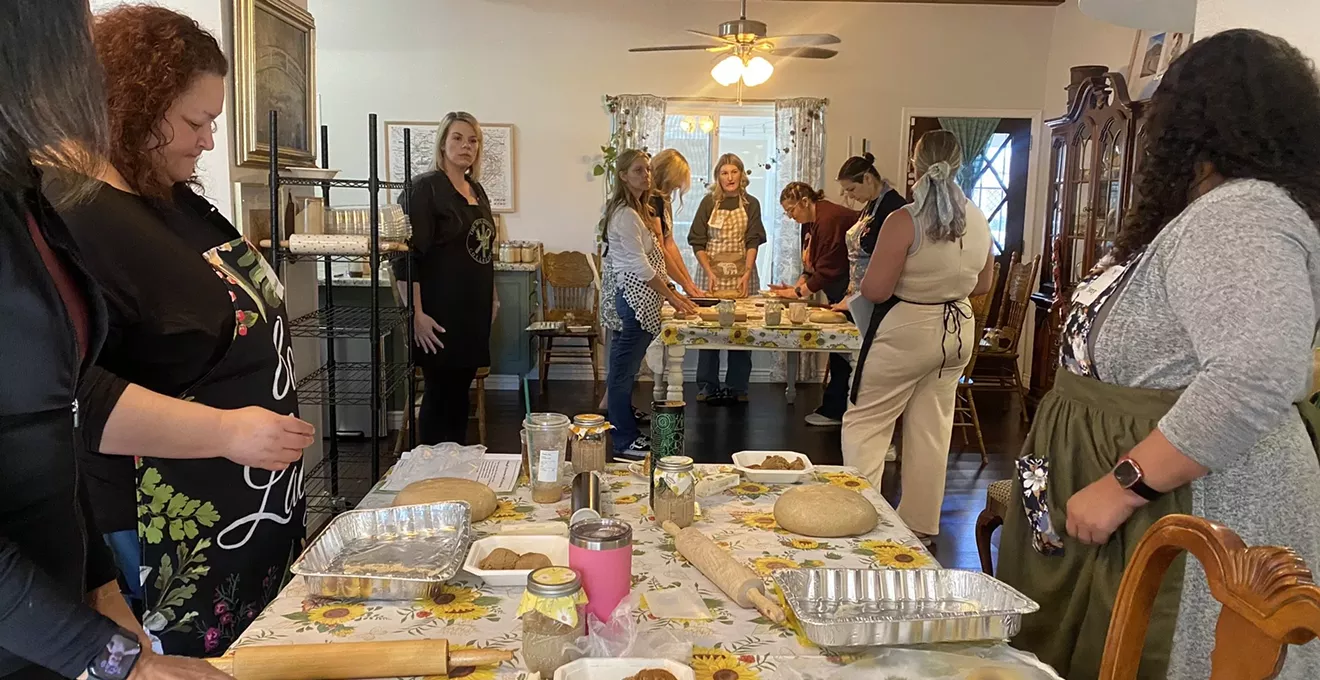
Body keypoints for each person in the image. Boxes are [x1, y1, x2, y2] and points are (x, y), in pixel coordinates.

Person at [998, 30, 1320, 680]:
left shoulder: (1242, 215)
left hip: (1174, 506)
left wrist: (1126, 485)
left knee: (1151, 653)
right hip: (1089, 474)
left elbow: (1257, 374)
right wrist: (1038, 497)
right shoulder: (1197, 216)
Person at [51, 5, 316, 657]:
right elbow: (74, 396)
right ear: (131, 104)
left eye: (213, 122)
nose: (206, 141)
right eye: (196, 121)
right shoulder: (75, 215)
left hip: (251, 513)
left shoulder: (170, 198)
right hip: (164, 535)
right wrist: (227, 431)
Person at [0, 1, 232, 678]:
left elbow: (56, 408)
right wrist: (114, 662)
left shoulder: (24, 196)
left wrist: (101, 586)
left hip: (53, 618)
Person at [841, 131, 994, 546]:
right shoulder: (978, 217)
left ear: (916, 164)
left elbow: (875, 290)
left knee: (867, 421)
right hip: (957, 327)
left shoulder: (904, 219)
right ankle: (921, 525)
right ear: (959, 165)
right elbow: (983, 283)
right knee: (932, 426)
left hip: (909, 326)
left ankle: (859, 519)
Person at [396, 111, 498, 446]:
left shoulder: (476, 190)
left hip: (473, 311)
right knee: (439, 395)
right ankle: (429, 474)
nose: (466, 146)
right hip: (438, 312)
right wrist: (416, 314)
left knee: (459, 395)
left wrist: (493, 297)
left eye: (473, 140)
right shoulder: (424, 189)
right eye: (458, 138)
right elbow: (405, 256)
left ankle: (454, 470)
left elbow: (484, 250)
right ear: (442, 143)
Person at [602, 149, 697, 456]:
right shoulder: (625, 215)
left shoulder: (640, 210)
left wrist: (676, 288)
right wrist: (673, 295)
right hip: (634, 301)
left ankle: (625, 433)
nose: (646, 175)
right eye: (639, 170)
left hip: (643, 300)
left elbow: (657, 257)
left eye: (647, 170)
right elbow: (641, 267)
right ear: (622, 176)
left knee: (623, 372)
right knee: (621, 374)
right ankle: (624, 440)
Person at [771, 182, 860, 426]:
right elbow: (811, 268)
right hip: (837, 290)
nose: (790, 216)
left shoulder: (829, 219)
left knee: (847, 352)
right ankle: (834, 407)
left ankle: (841, 411)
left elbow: (829, 270)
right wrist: (794, 289)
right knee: (840, 352)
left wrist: (798, 293)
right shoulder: (809, 223)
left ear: (804, 201)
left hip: (851, 292)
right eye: (786, 212)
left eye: (791, 210)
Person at [687, 153, 766, 404]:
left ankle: (737, 387)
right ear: (717, 177)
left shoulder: (751, 203)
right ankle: (707, 385)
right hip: (711, 274)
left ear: (742, 175)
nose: (729, 177)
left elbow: (753, 239)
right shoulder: (708, 203)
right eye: (724, 173)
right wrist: (709, 271)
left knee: (741, 329)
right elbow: (697, 240)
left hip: (743, 274)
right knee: (709, 329)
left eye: (734, 172)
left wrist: (746, 272)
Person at [837, 152, 908, 304]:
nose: (850, 196)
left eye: (852, 189)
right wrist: (850, 293)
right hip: (858, 295)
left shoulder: (893, 208)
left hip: (880, 297)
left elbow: (889, 262)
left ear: (868, 178)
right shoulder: (870, 205)